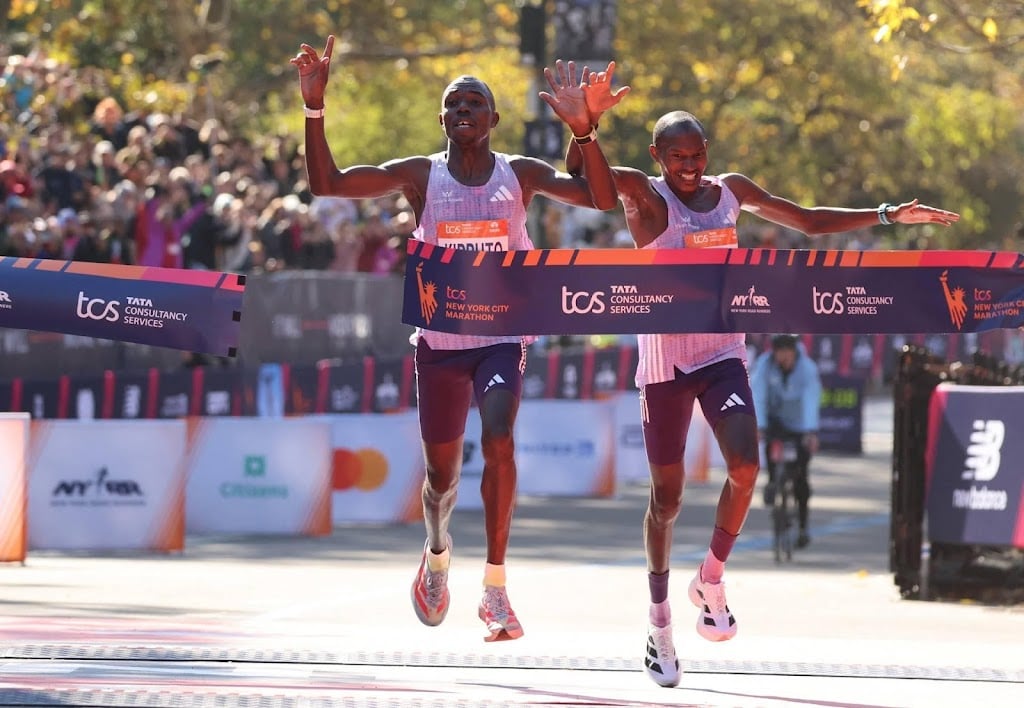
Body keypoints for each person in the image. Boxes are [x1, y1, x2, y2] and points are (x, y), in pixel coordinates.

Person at [566, 64, 960, 687]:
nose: (689, 167)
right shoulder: (645, 193)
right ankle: (659, 622)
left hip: (722, 350)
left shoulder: (730, 190)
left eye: (697, 155)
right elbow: (586, 186)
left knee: (747, 467)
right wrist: (585, 130)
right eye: (677, 157)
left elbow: (807, 220)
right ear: (657, 156)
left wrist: (886, 214)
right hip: (665, 360)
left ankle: (711, 578)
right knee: (667, 498)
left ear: (708, 151)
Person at [292, 37, 619, 642]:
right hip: (440, 343)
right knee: (440, 479)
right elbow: (327, 184)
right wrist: (314, 107)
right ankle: (437, 555)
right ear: (441, 120)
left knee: (498, 437)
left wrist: (584, 131)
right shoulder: (422, 176)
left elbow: (601, 199)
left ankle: (495, 589)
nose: (464, 108)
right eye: (454, 103)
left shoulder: (521, 175)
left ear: (493, 119)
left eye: (475, 102)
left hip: (501, 336)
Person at [750, 333, 822, 549]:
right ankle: (773, 480)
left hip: (799, 424)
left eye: (786, 352)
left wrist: (810, 431)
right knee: (772, 450)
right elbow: (758, 395)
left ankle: (803, 527)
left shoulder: (807, 368)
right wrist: (760, 426)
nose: (783, 357)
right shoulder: (764, 365)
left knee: (801, 477)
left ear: (794, 351)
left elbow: (811, 399)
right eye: (778, 352)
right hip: (775, 422)